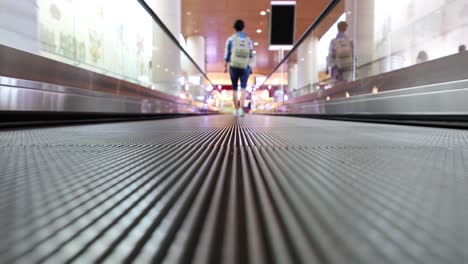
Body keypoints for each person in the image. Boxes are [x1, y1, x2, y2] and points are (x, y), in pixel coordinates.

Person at [224, 19, 253, 116]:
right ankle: (241, 109)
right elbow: (251, 54)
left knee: (235, 88)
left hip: (234, 66)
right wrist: (250, 67)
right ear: (243, 28)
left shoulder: (231, 39)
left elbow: (227, 53)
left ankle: (236, 110)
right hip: (245, 66)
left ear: (235, 28)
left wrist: (226, 65)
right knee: (243, 87)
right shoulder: (249, 40)